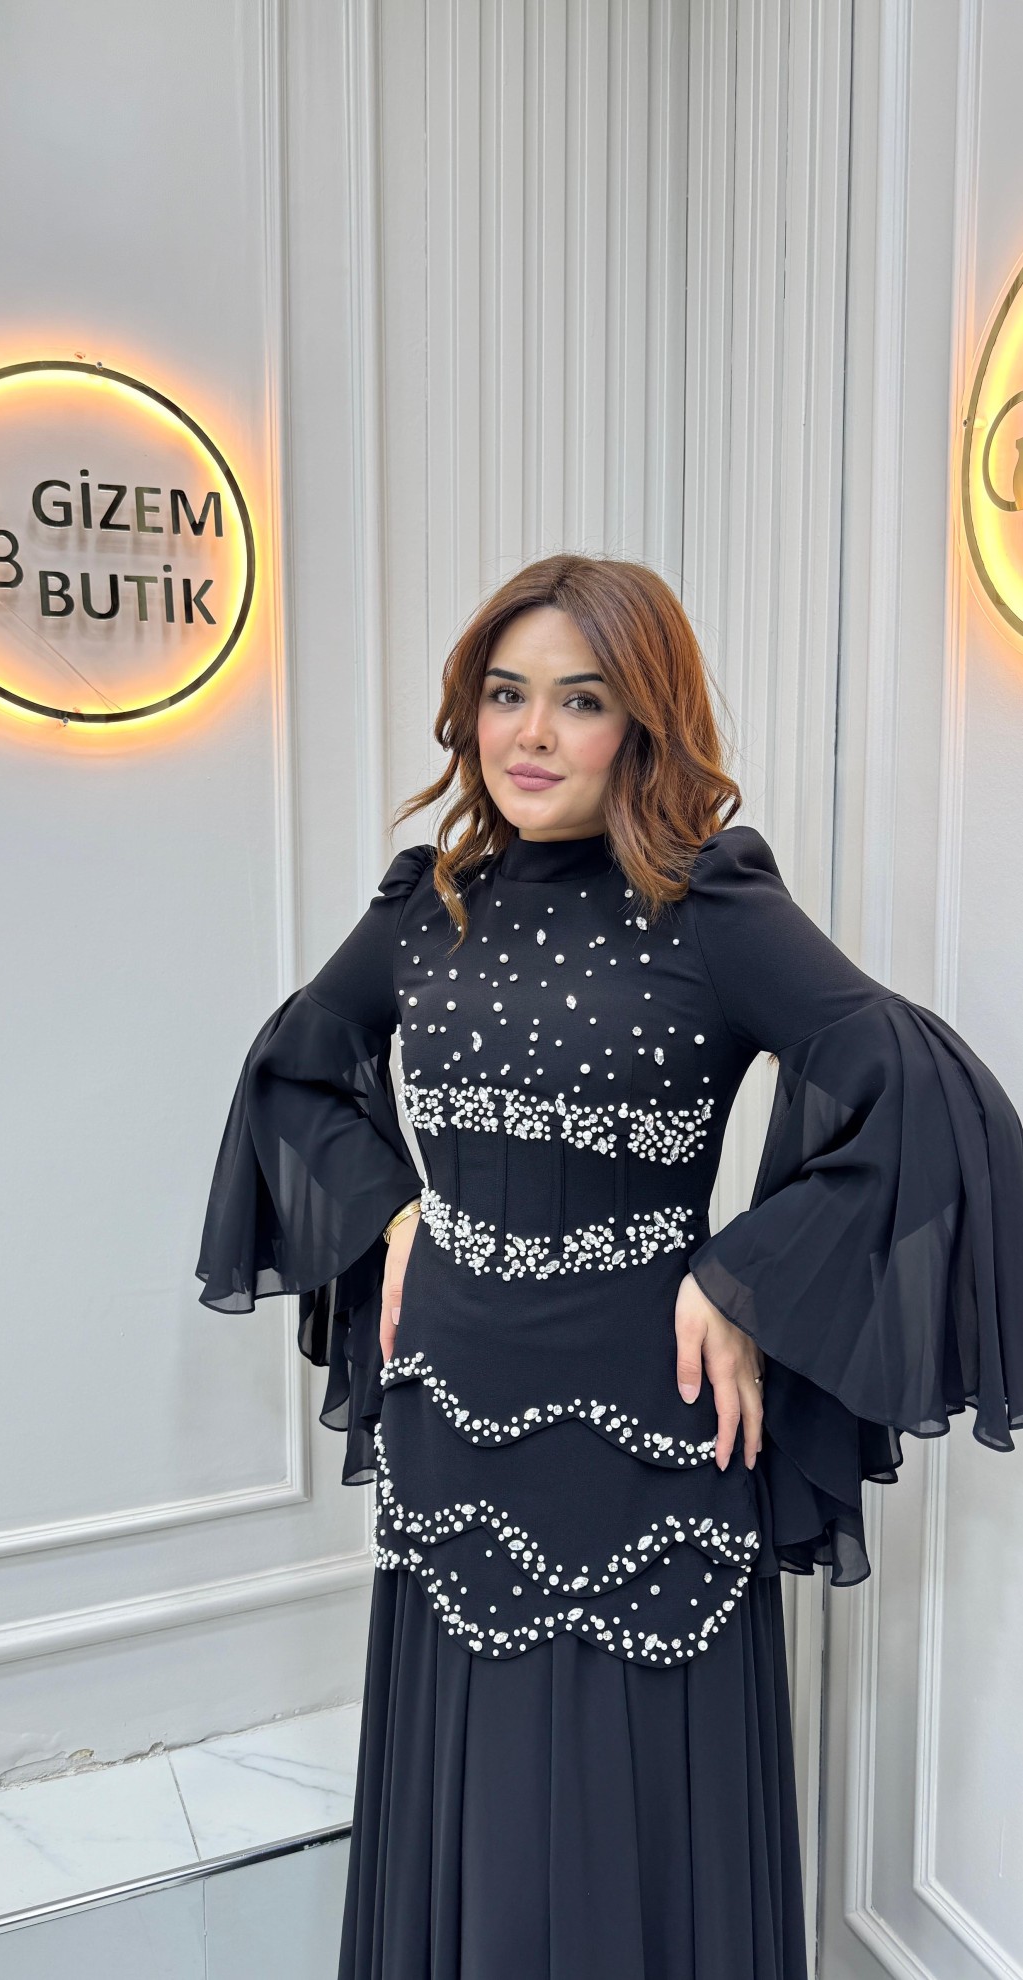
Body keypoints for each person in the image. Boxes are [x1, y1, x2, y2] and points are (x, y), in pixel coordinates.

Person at [195, 553, 1023, 1980]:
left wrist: (743, 1276)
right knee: (479, 1804)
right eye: (505, 694)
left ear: (644, 721)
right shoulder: (428, 905)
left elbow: (924, 1097)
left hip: (650, 1423)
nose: (530, 734)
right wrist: (390, 1210)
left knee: (623, 1812)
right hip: (451, 1413)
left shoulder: (712, 905)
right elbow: (296, 1071)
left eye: (580, 701)